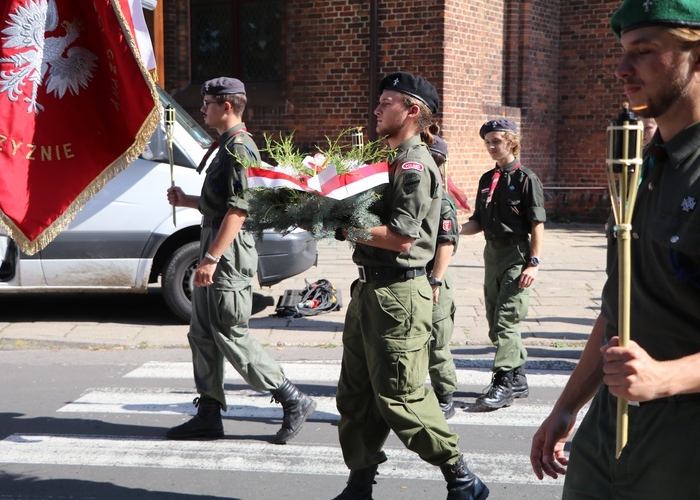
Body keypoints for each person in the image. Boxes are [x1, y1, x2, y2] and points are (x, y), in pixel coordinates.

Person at [530, 1, 700, 498]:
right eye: (623, 51)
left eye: (644, 52)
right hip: (607, 431)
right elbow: (620, 305)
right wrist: (568, 404)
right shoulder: (640, 168)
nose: (622, 68)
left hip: (694, 442)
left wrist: (664, 377)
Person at [333, 72, 489, 500]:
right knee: (355, 395)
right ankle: (359, 483)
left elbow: (402, 236)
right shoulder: (389, 159)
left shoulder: (414, 164)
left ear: (412, 110)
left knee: (400, 398)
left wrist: (347, 230)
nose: (377, 109)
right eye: (379, 101)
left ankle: (462, 478)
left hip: (398, 296)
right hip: (369, 292)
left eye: (387, 102)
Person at [165, 77, 316, 444]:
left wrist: (212, 258)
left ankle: (292, 397)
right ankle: (209, 414)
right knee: (202, 334)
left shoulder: (240, 147)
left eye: (207, 102)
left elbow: (240, 208)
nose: (202, 108)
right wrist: (186, 200)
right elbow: (220, 202)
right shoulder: (226, 146)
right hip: (213, 240)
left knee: (229, 333)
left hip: (227, 252)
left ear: (227, 106)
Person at [460, 118, 545, 411]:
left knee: (507, 318)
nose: (491, 146)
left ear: (511, 142)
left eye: (496, 141)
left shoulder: (525, 179)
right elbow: (477, 222)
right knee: (493, 318)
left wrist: (533, 262)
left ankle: (504, 382)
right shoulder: (487, 180)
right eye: (488, 142)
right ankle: (518, 377)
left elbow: (537, 223)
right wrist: (451, 231)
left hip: (517, 253)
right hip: (492, 254)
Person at [427, 135, 460, 419]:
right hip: (418, 276)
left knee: (437, 341)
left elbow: (446, 243)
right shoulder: (425, 191)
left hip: (434, 278)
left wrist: (435, 280)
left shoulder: (443, 200)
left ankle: (445, 395)